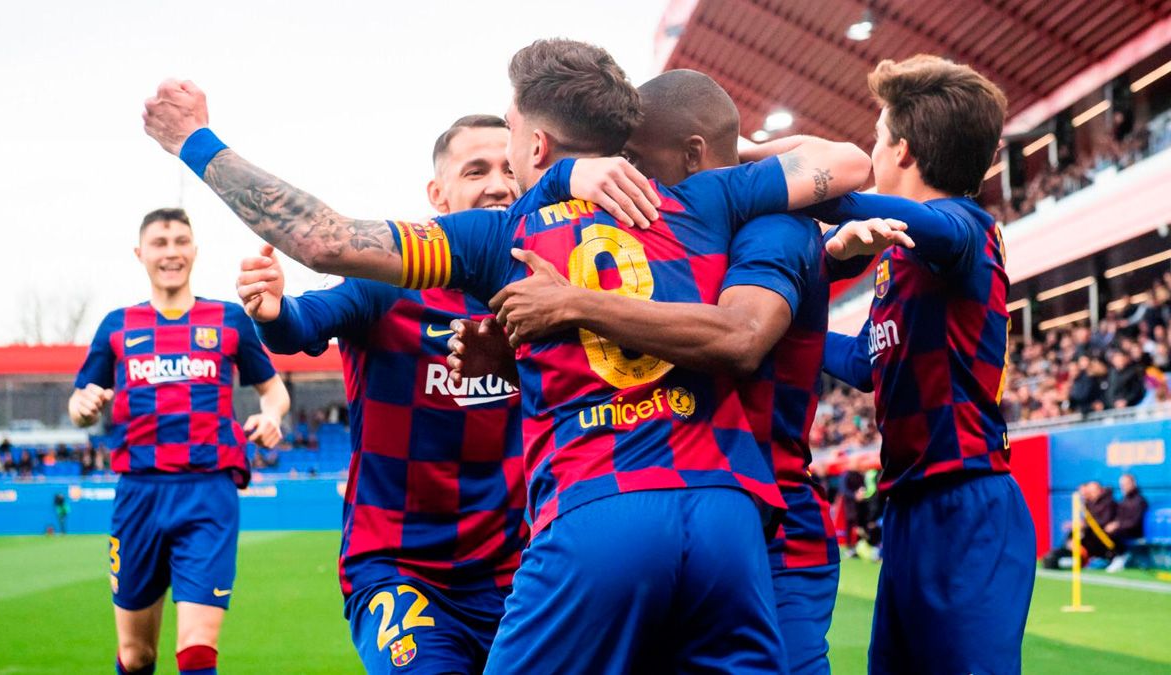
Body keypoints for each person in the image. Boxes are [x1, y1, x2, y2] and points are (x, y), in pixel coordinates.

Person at [142, 38, 872, 672]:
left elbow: (324, 239)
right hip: (728, 522)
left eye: (514, 134)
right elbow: (846, 163)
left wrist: (194, 140)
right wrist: (724, 147)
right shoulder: (712, 200)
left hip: (596, 514)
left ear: (535, 147)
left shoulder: (502, 238)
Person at [455, 69, 902, 674]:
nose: (626, 173)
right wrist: (518, 358)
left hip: (771, 524)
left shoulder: (768, 227)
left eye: (636, 157)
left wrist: (574, 302)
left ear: (692, 155)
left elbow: (738, 339)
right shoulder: (666, 242)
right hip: (702, 513)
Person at [235, 115, 531, 674]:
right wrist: (273, 312)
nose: (498, 183)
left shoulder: (550, 287)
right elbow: (304, 323)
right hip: (403, 572)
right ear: (437, 195)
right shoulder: (390, 280)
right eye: (477, 170)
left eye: (509, 169)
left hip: (524, 574)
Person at [816, 55, 1037, 674]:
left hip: (968, 506)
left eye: (877, 138)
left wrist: (823, 195)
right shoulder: (898, 260)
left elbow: (933, 228)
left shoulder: (966, 231)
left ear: (904, 152)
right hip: (908, 510)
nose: (872, 150)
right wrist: (779, 328)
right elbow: (863, 361)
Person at [69, 208, 290, 675]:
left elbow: (274, 391)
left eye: (180, 241)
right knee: (136, 656)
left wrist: (271, 417)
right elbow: (78, 401)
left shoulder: (229, 320)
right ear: (140, 253)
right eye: (160, 242)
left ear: (194, 250)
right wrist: (84, 406)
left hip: (209, 493)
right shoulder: (116, 326)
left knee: (195, 651)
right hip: (138, 495)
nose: (171, 252)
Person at [1106, 473, 1150, 572]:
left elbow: (1135, 522)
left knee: (1115, 533)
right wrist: (1114, 524)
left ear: (1133, 483)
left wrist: (1118, 525)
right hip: (1124, 530)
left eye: (1126, 484)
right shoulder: (1124, 500)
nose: (1124, 487)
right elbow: (1119, 517)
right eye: (1122, 485)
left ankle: (1121, 556)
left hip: (1135, 531)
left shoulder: (1139, 501)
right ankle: (1115, 557)